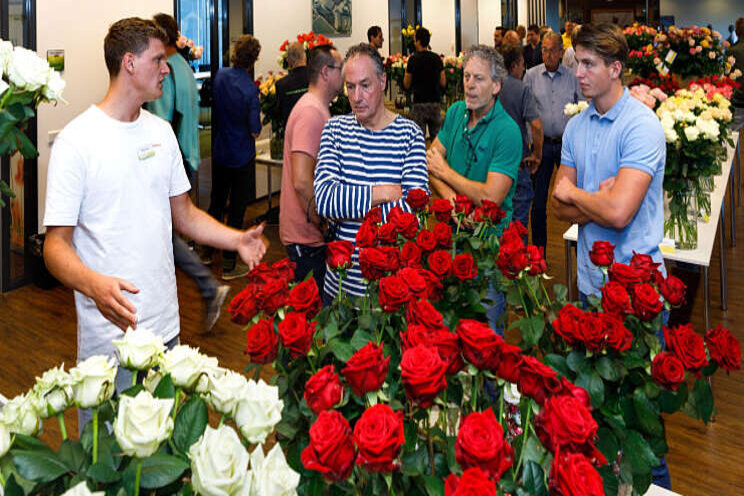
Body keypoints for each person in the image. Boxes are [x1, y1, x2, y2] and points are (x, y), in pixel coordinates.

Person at [43, 17, 267, 420]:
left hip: (165, 329)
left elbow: (185, 216)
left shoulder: (161, 133)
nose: (167, 68)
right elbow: (54, 246)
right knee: (110, 466)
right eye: (158, 59)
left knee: (167, 460)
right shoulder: (78, 142)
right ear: (129, 63)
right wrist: (92, 283)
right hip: (109, 341)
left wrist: (236, 240)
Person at [550, 24, 668, 488]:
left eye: (588, 64)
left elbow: (619, 212)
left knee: (642, 428)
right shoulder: (578, 125)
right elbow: (557, 207)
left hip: (637, 296)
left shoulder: (642, 126)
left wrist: (579, 195)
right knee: (595, 418)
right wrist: (588, 195)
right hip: (591, 291)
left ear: (615, 69)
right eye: (576, 62)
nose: (577, 72)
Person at [314, 43, 429, 301]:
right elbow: (324, 200)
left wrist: (350, 207)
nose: (356, 97)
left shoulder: (409, 134)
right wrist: (386, 193)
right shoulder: (335, 130)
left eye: (365, 85)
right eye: (350, 86)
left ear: (383, 81)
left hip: (390, 291)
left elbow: (415, 214)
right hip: (341, 290)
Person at [426, 45, 521, 333]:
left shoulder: (507, 131)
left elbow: (492, 196)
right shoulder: (456, 112)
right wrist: (455, 202)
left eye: (478, 78)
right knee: (448, 327)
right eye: (466, 76)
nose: (469, 85)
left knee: (486, 333)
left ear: (496, 86)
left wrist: (446, 173)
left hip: (488, 251)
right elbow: (431, 161)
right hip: (450, 242)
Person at [147, 13, 229, 333]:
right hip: (189, 153)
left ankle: (208, 286)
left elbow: (161, 119)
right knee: (170, 231)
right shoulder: (182, 66)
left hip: (172, 157)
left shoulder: (165, 72)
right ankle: (207, 286)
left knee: (166, 231)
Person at [280, 44, 344, 293]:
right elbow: (302, 182)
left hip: (309, 235)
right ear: (326, 72)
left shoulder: (316, 108)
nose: (344, 75)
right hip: (305, 237)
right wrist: (324, 222)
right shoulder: (310, 112)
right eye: (341, 69)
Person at [206, 34, 263, 280]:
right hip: (241, 155)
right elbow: (254, 129)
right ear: (253, 60)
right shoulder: (250, 90)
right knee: (237, 209)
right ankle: (229, 264)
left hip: (221, 150)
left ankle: (207, 251)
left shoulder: (220, 76)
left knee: (216, 202)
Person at [524, 32, 582, 253]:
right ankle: (539, 254)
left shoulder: (573, 77)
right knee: (538, 203)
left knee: (573, 199)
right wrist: (530, 144)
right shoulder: (530, 77)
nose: (548, 54)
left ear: (561, 52)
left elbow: (582, 110)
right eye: (544, 50)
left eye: (552, 50)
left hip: (567, 148)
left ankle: (578, 249)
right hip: (541, 146)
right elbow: (526, 113)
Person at [499, 43, 543, 242]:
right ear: (515, 64)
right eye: (522, 65)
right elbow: (536, 126)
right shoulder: (522, 89)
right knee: (518, 225)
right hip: (518, 163)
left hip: (493, 165)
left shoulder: (491, 86)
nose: (523, 69)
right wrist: (537, 154)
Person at [404, 26, 446, 140]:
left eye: (414, 39)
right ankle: (437, 158)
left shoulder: (413, 60)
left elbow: (406, 83)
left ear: (418, 41)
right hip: (435, 103)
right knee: (438, 139)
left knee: (418, 140)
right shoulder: (437, 58)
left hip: (419, 104)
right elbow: (443, 82)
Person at [276, 42, 309, 129]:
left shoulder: (281, 85)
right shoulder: (317, 78)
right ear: (304, 56)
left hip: (292, 134)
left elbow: (280, 116)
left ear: (288, 61)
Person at [729, 18, 744, 131]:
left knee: (733, 132)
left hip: (738, 98)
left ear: (737, 32)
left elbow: (727, 76)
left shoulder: (731, 50)